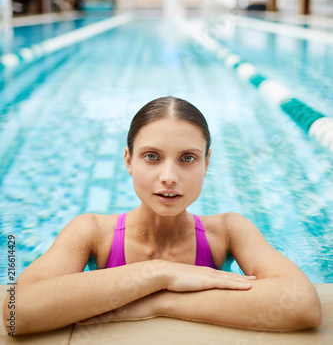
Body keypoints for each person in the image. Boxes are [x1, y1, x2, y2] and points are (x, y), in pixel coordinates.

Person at [3, 96, 322, 335]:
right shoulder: (92, 231)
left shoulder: (228, 231)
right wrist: (159, 272)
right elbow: (15, 311)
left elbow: (302, 304)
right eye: (152, 157)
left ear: (206, 163)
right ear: (128, 160)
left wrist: (157, 301)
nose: (169, 176)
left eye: (187, 158)